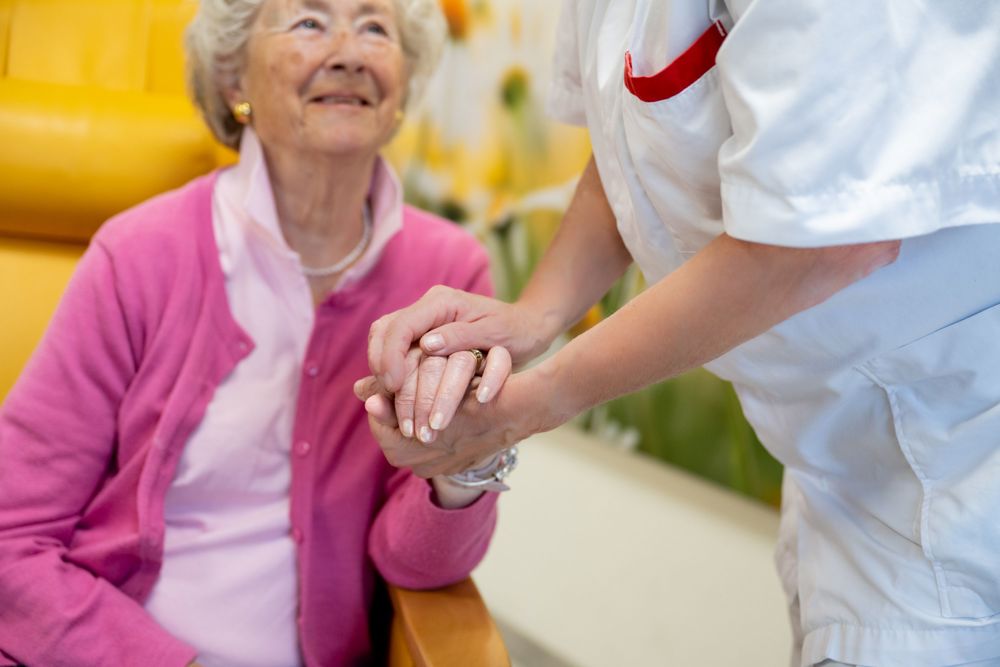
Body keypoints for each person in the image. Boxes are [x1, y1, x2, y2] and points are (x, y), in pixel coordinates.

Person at [359, 1, 1000, 665]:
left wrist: (539, 399)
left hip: (960, 466)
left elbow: (826, 240)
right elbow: (632, 146)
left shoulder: (441, 253)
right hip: (842, 467)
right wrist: (536, 314)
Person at [0, 1, 512, 665]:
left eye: (376, 26)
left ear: (402, 86)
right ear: (234, 79)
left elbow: (415, 563)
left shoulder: (448, 274)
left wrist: (463, 467)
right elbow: (12, 532)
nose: (349, 51)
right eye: (308, 22)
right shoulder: (136, 255)